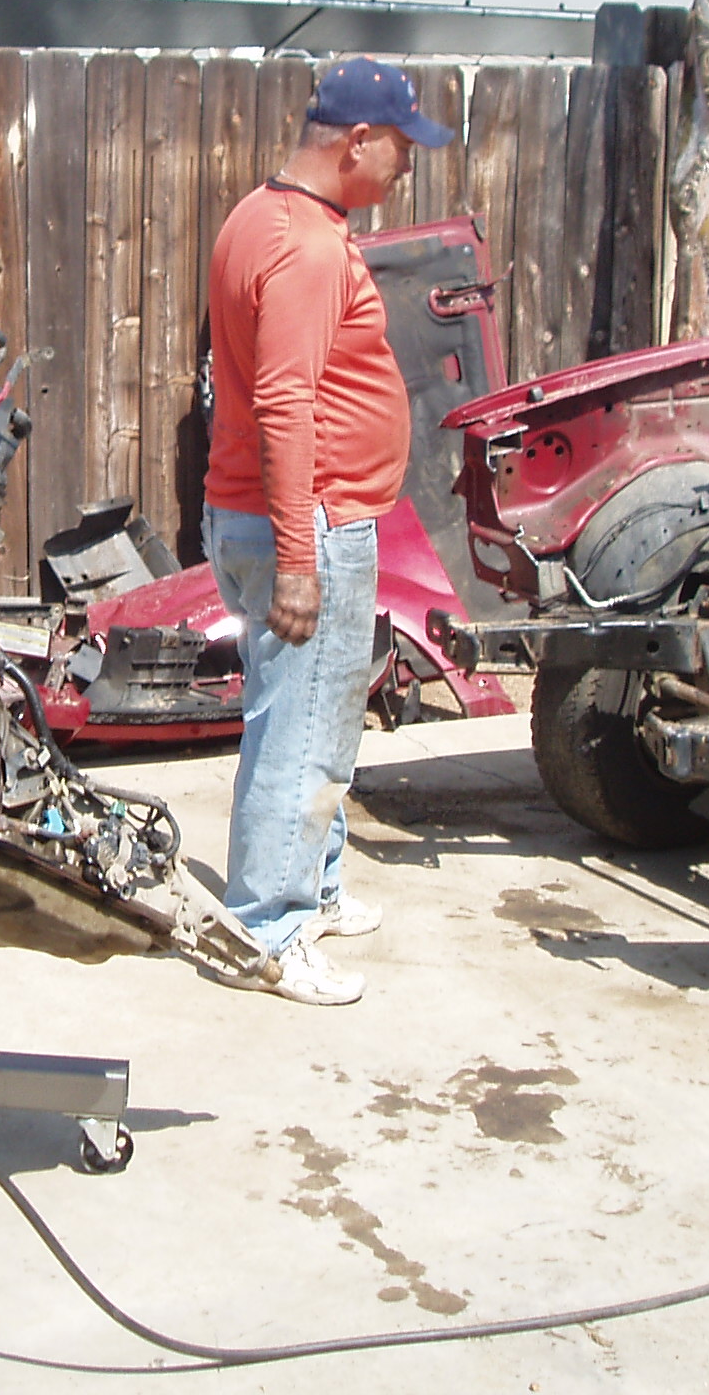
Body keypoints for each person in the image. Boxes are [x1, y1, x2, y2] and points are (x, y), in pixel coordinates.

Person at [202, 57, 453, 1004]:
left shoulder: (259, 216)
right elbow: (284, 403)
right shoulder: (305, 247)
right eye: (401, 146)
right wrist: (300, 561)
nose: (407, 165)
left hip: (268, 514)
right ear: (357, 140)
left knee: (320, 713)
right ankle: (268, 930)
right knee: (299, 729)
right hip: (304, 523)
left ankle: (320, 885)